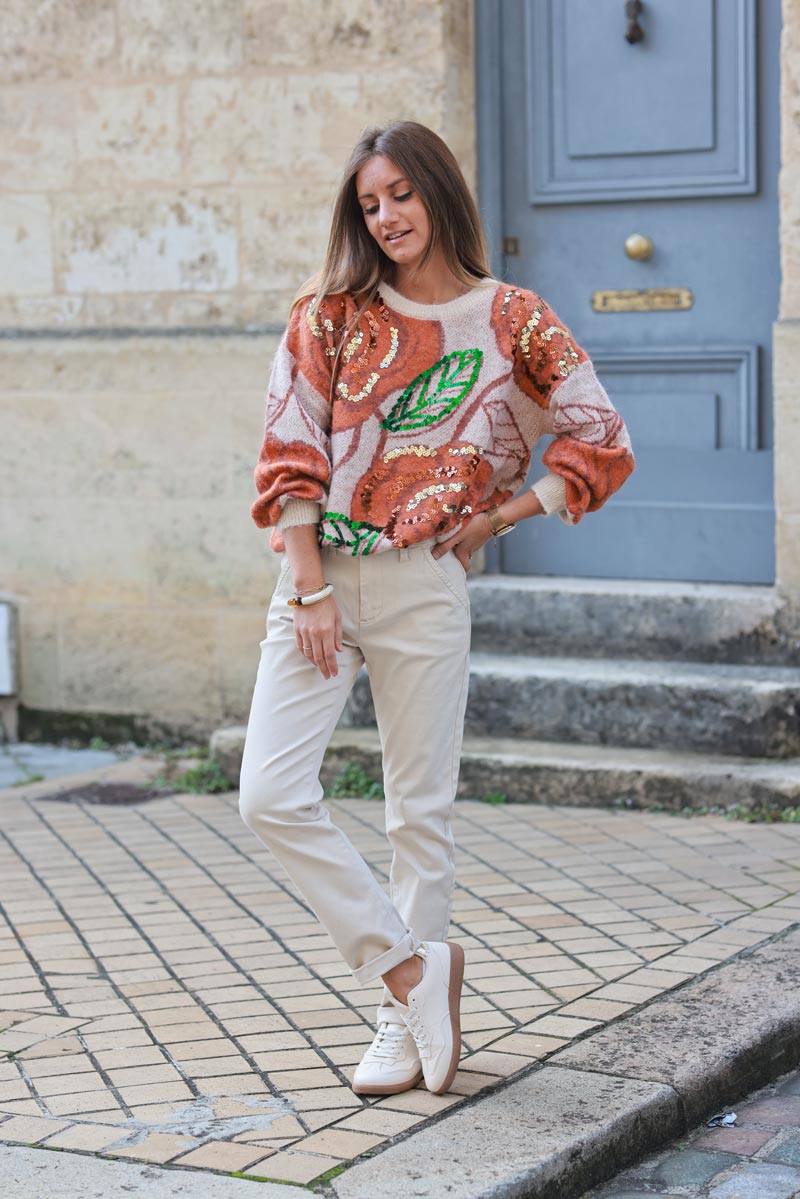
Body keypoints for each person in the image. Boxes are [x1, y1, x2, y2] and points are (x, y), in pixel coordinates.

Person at [238, 119, 634, 1098]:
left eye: (400, 195)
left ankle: (398, 1028)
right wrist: (310, 585)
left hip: (423, 581)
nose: (385, 217)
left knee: (417, 816)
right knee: (269, 793)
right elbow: (289, 453)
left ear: (436, 193)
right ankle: (409, 971)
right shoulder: (329, 315)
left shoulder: (510, 318)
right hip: (316, 575)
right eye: (369, 203)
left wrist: (503, 512)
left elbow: (599, 431)